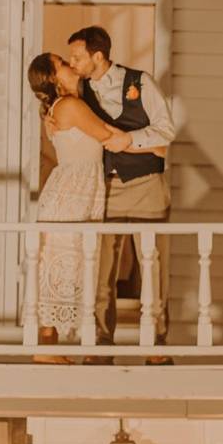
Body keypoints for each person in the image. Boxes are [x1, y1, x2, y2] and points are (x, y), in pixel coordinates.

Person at [26, 53, 165, 364]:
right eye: (62, 63)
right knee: (63, 264)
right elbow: (106, 135)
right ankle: (46, 350)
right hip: (72, 194)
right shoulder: (71, 107)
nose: (70, 64)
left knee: (66, 265)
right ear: (53, 78)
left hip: (78, 190)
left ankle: (49, 349)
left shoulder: (66, 105)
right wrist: (151, 145)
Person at [66, 26, 176, 366]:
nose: (72, 63)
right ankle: (100, 342)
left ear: (98, 56)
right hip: (105, 188)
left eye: (77, 57)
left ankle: (156, 344)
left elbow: (166, 129)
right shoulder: (78, 89)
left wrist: (130, 140)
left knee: (153, 266)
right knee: (102, 270)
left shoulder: (141, 82)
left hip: (147, 184)